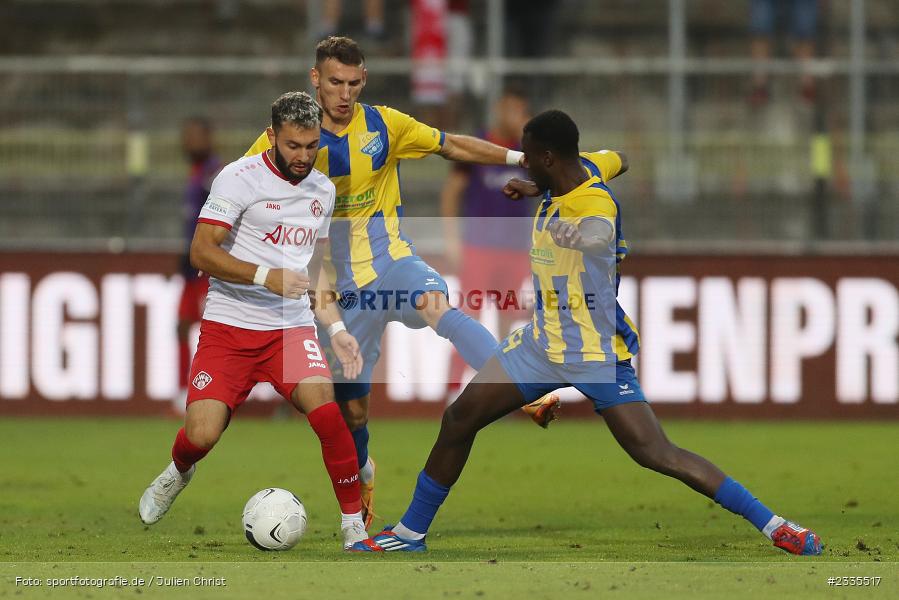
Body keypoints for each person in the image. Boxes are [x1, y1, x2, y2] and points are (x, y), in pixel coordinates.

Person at [350, 110, 823, 556]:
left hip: (594, 353)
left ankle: (776, 524)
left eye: (529, 155)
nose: (524, 160)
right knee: (459, 420)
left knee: (656, 452)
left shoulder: (591, 204)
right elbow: (621, 157)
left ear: (549, 159)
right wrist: (540, 187)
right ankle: (410, 532)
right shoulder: (586, 168)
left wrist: (579, 236)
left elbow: (598, 228)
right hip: (539, 346)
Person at [245, 36, 560, 529]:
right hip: (337, 291)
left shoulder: (386, 125)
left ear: (363, 80)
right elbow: (245, 183)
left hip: (393, 263)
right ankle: (365, 470)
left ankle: (524, 390)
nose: (344, 94)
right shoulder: (288, 140)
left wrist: (519, 160)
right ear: (315, 80)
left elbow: (450, 144)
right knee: (353, 417)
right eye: (334, 83)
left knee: (439, 306)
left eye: (353, 83)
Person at [139, 92, 370, 550]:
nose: (304, 157)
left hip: (290, 327)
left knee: (326, 411)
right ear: (271, 137)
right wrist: (266, 276)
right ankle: (177, 471)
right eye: (293, 146)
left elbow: (316, 267)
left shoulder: (323, 190)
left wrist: (337, 329)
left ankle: (353, 527)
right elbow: (201, 251)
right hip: (229, 327)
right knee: (201, 435)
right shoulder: (237, 179)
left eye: (311, 145)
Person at [440, 89, 534, 393]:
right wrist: (452, 240)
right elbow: (452, 193)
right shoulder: (478, 147)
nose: (521, 120)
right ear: (501, 109)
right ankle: (454, 391)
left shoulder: (529, 155)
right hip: (479, 249)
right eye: (516, 112)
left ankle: (501, 392)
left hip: (515, 251)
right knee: (468, 320)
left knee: (509, 323)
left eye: (524, 113)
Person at [174, 117, 223, 416]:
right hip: (192, 268)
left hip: (209, 269)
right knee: (181, 326)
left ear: (208, 138)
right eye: (187, 136)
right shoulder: (195, 173)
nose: (190, 142)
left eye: (196, 136)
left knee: (216, 333)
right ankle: (184, 392)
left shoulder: (214, 174)